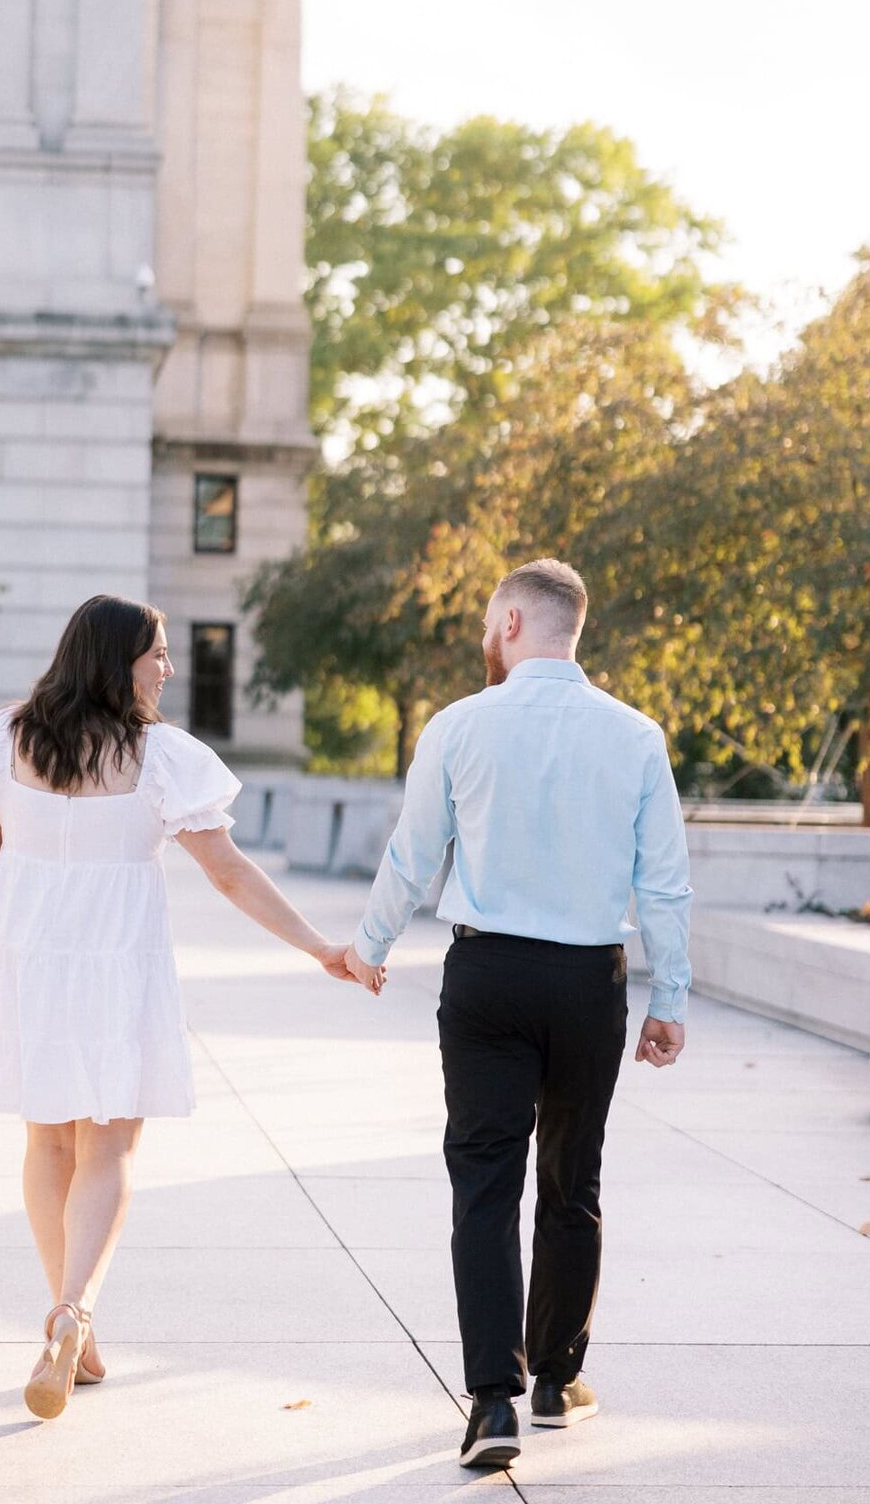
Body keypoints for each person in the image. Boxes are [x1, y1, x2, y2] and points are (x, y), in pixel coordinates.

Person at [0, 594, 373, 1421]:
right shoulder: (160, 757)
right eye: (155, 652)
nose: (168, 667)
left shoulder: (2, 740)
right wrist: (318, 947)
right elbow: (229, 872)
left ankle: (69, 1322)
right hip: (116, 967)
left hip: (24, 966)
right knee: (111, 1148)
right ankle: (74, 1311)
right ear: (113, 658)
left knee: (48, 1141)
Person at [343, 558, 692, 1472]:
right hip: (588, 982)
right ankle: (554, 1382)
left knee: (485, 1183)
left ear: (507, 623)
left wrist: (369, 948)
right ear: (573, 629)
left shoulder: (459, 726)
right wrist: (673, 999)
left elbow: (412, 855)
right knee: (572, 1180)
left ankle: (492, 1403)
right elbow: (663, 883)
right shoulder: (636, 735)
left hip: (488, 978)